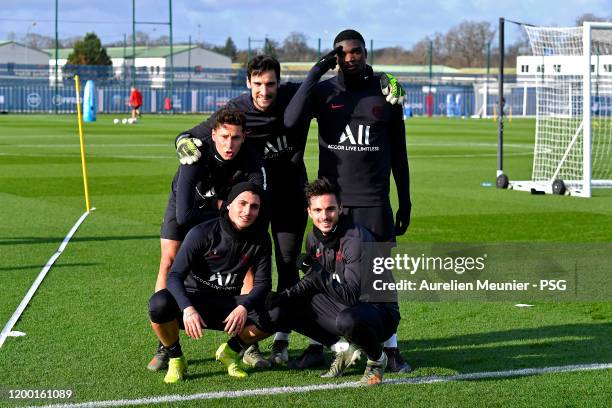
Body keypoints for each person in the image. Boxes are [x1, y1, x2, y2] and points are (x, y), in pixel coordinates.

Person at [284, 29, 412, 372]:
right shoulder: (324, 92)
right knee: (322, 269)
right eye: (342, 52)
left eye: (356, 51)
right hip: (333, 203)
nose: (350, 57)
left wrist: (406, 200)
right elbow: (291, 119)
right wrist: (314, 72)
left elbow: (399, 152)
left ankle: (392, 348)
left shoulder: (385, 93)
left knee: (380, 275)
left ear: (366, 52)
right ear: (334, 57)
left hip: (373, 202)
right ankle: (318, 345)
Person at [148, 108, 266, 372]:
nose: (229, 144)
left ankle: (247, 340)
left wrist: (228, 211)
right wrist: (222, 205)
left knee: (249, 262)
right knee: (169, 260)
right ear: (213, 134)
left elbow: (259, 207)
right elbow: (184, 215)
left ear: (244, 137)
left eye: (235, 138)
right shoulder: (196, 152)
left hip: (225, 206)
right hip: (187, 203)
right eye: (224, 136)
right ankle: (165, 344)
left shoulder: (252, 160)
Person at [267, 179, 400, 385]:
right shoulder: (313, 238)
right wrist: (283, 296)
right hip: (346, 306)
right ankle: (342, 348)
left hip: (378, 310)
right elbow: (313, 282)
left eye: (330, 209)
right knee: (283, 308)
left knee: (347, 320)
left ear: (340, 209)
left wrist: (318, 272)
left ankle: (376, 359)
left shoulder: (355, 240)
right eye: (318, 210)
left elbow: (351, 294)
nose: (324, 216)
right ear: (309, 212)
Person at [148, 182, 273, 382]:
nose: (247, 211)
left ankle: (230, 352)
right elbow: (174, 276)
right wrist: (187, 308)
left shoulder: (261, 238)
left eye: (254, 206)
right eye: (242, 204)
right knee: (159, 304)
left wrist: (244, 307)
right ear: (229, 205)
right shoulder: (202, 233)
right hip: (193, 304)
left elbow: (263, 284)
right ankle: (175, 358)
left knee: (278, 310)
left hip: (228, 307)